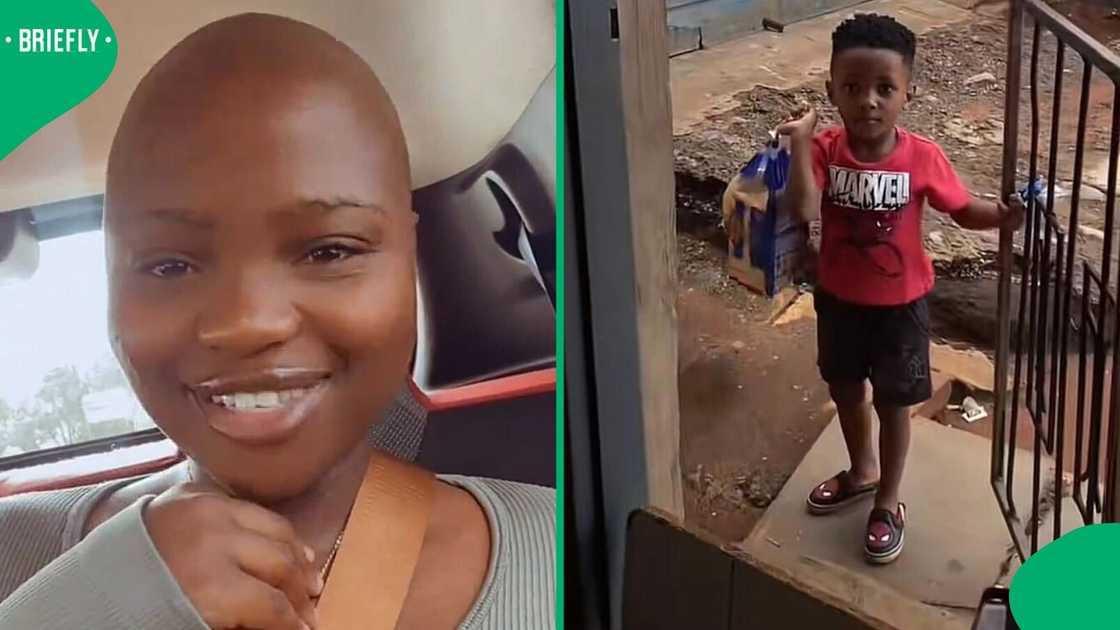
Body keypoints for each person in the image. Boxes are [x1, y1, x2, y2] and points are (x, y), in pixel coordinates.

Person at [0, 13, 554, 629]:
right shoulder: (10, 554)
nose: (246, 323)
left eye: (329, 251)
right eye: (170, 265)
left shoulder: (566, 555)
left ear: (407, 261)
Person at [777, 13, 1023, 565]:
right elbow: (803, 209)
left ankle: (888, 500)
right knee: (844, 390)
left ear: (907, 93)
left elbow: (963, 209)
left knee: (893, 404)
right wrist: (801, 141)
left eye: (884, 88)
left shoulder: (923, 156)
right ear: (831, 91)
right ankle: (862, 470)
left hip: (901, 310)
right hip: (839, 301)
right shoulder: (825, 150)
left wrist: (1003, 216)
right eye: (853, 87)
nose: (868, 101)